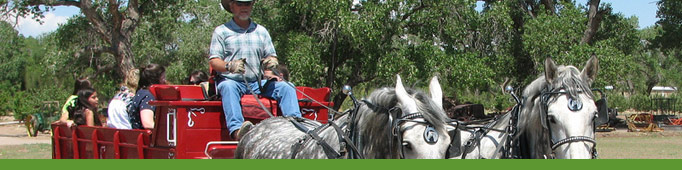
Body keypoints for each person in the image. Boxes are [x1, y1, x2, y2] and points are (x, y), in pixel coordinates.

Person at [210, 0, 301, 140]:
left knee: (287, 87)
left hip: (257, 83)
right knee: (227, 87)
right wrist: (229, 66)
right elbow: (214, 61)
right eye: (240, 4)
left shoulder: (261, 31)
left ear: (252, 6)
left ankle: (296, 126)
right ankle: (237, 131)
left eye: (247, 4)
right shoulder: (221, 31)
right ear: (231, 6)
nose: (244, 7)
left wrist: (272, 61)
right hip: (232, 81)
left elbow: (270, 55)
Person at [129, 64, 166, 129]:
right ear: (156, 79)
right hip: (147, 138)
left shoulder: (141, 92)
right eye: (163, 78)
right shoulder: (148, 96)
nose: (165, 81)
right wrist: (166, 130)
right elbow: (147, 123)